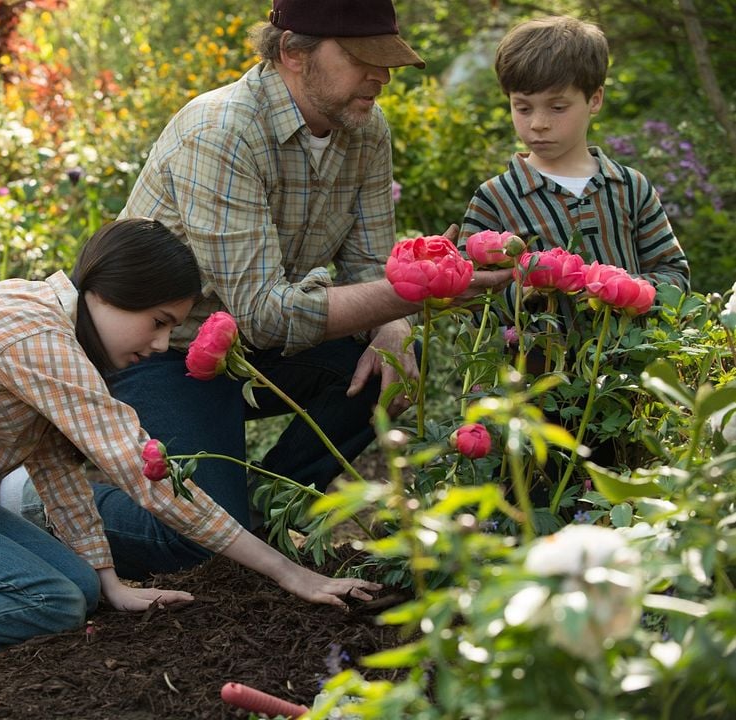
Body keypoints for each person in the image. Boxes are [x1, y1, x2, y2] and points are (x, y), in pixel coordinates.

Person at [0, 218, 379, 660]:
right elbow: (142, 475)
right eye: (157, 321)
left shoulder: (53, 325)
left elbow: (56, 467)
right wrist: (290, 573)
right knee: (51, 603)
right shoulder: (37, 339)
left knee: (79, 587)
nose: (159, 346)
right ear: (109, 291)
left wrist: (110, 581)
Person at [77, 0, 513, 579]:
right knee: (191, 547)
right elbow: (259, 314)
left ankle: (258, 519)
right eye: (363, 58)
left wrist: (398, 325)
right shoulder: (222, 129)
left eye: (387, 61)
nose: (381, 76)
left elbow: (366, 269)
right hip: (166, 350)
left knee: (386, 364)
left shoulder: (365, 130)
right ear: (292, 52)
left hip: (253, 345)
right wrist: (415, 294)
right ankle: (39, 502)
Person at [461, 15, 690, 321]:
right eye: (523, 107)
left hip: (631, 365)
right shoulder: (495, 198)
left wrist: (622, 290)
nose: (538, 124)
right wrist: (530, 288)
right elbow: (467, 300)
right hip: (534, 366)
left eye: (557, 107)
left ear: (595, 99)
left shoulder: (630, 188)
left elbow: (675, 275)